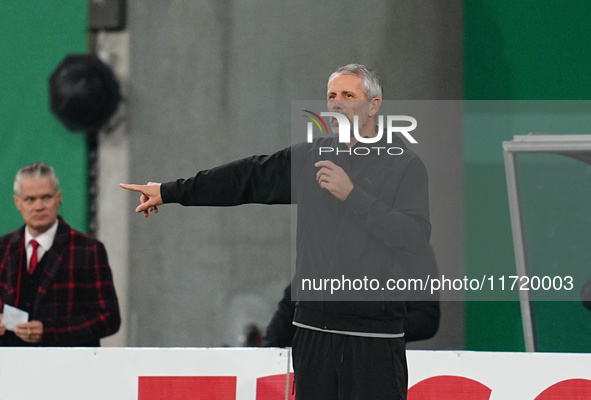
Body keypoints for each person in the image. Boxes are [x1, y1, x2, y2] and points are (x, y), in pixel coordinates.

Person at [121, 64, 430, 400]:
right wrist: (170, 191)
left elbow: (413, 237)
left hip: (372, 338)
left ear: (373, 105)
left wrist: (352, 196)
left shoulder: (404, 165)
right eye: (331, 96)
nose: (337, 103)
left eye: (348, 95)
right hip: (313, 333)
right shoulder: (310, 157)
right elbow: (246, 178)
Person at [0, 162, 120, 346]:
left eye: (46, 197)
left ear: (59, 198)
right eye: (30, 199)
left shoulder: (88, 250)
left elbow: (108, 319)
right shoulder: (3, 247)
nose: (39, 206)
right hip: (9, 368)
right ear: (17, 202)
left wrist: (49, 331)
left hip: (68, 369)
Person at [263, 245, 441, 347]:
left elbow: (426, 318)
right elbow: (290, 309)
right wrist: (265, 358)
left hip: (380, 364)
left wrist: (365, 327)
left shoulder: (412, 245)